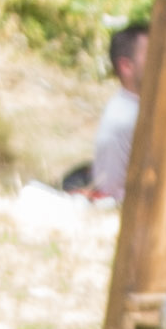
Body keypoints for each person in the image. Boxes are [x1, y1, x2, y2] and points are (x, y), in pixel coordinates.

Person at [67, 12, 148, 198]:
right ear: (126, 66)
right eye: (151, 54)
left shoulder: (138, 108)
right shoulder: (124, 120)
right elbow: (110, 193)